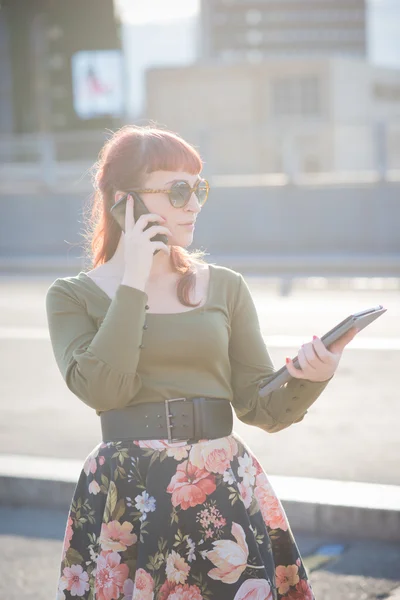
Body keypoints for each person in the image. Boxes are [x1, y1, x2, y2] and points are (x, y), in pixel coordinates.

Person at [46, 125, 357, 600]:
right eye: (177, 190)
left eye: (199, 189)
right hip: (127, 494)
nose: (193, 203)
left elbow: (262, 408)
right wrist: (134, 281)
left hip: (221, 487)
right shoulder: (71, 296)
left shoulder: (226, 286)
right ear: (123, 202)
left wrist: (314, 377)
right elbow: (104, 391)